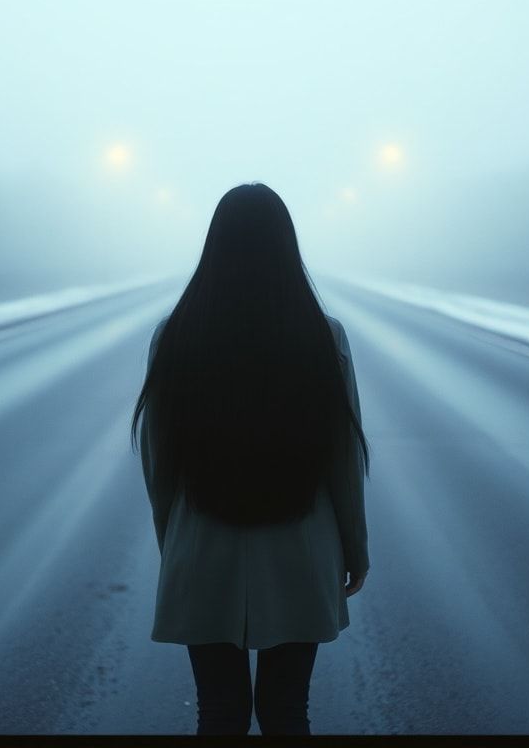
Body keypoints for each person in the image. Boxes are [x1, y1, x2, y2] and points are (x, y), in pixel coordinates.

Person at [130, 182, 370, 736]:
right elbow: (342, 460)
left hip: (202, 546)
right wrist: (354, 549)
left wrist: (175, 543)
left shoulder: (176, 337)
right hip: (301, 549)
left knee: (218, 713)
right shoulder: (322, 337)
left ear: (213, 248)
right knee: (287, 711)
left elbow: (158, 465)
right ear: (287, 248)